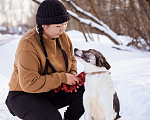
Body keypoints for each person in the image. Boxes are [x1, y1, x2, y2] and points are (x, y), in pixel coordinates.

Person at [5, 0, 85, 120]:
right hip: (23, 94)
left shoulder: (63, 37)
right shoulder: (28, 44)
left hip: (51, 91)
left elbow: (71, 61)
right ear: (43, 24)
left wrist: (72, 76)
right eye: (58, 26)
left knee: (85, 92)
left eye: (65, 24)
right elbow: (29, 83)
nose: (62, 29)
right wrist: (62, 78)